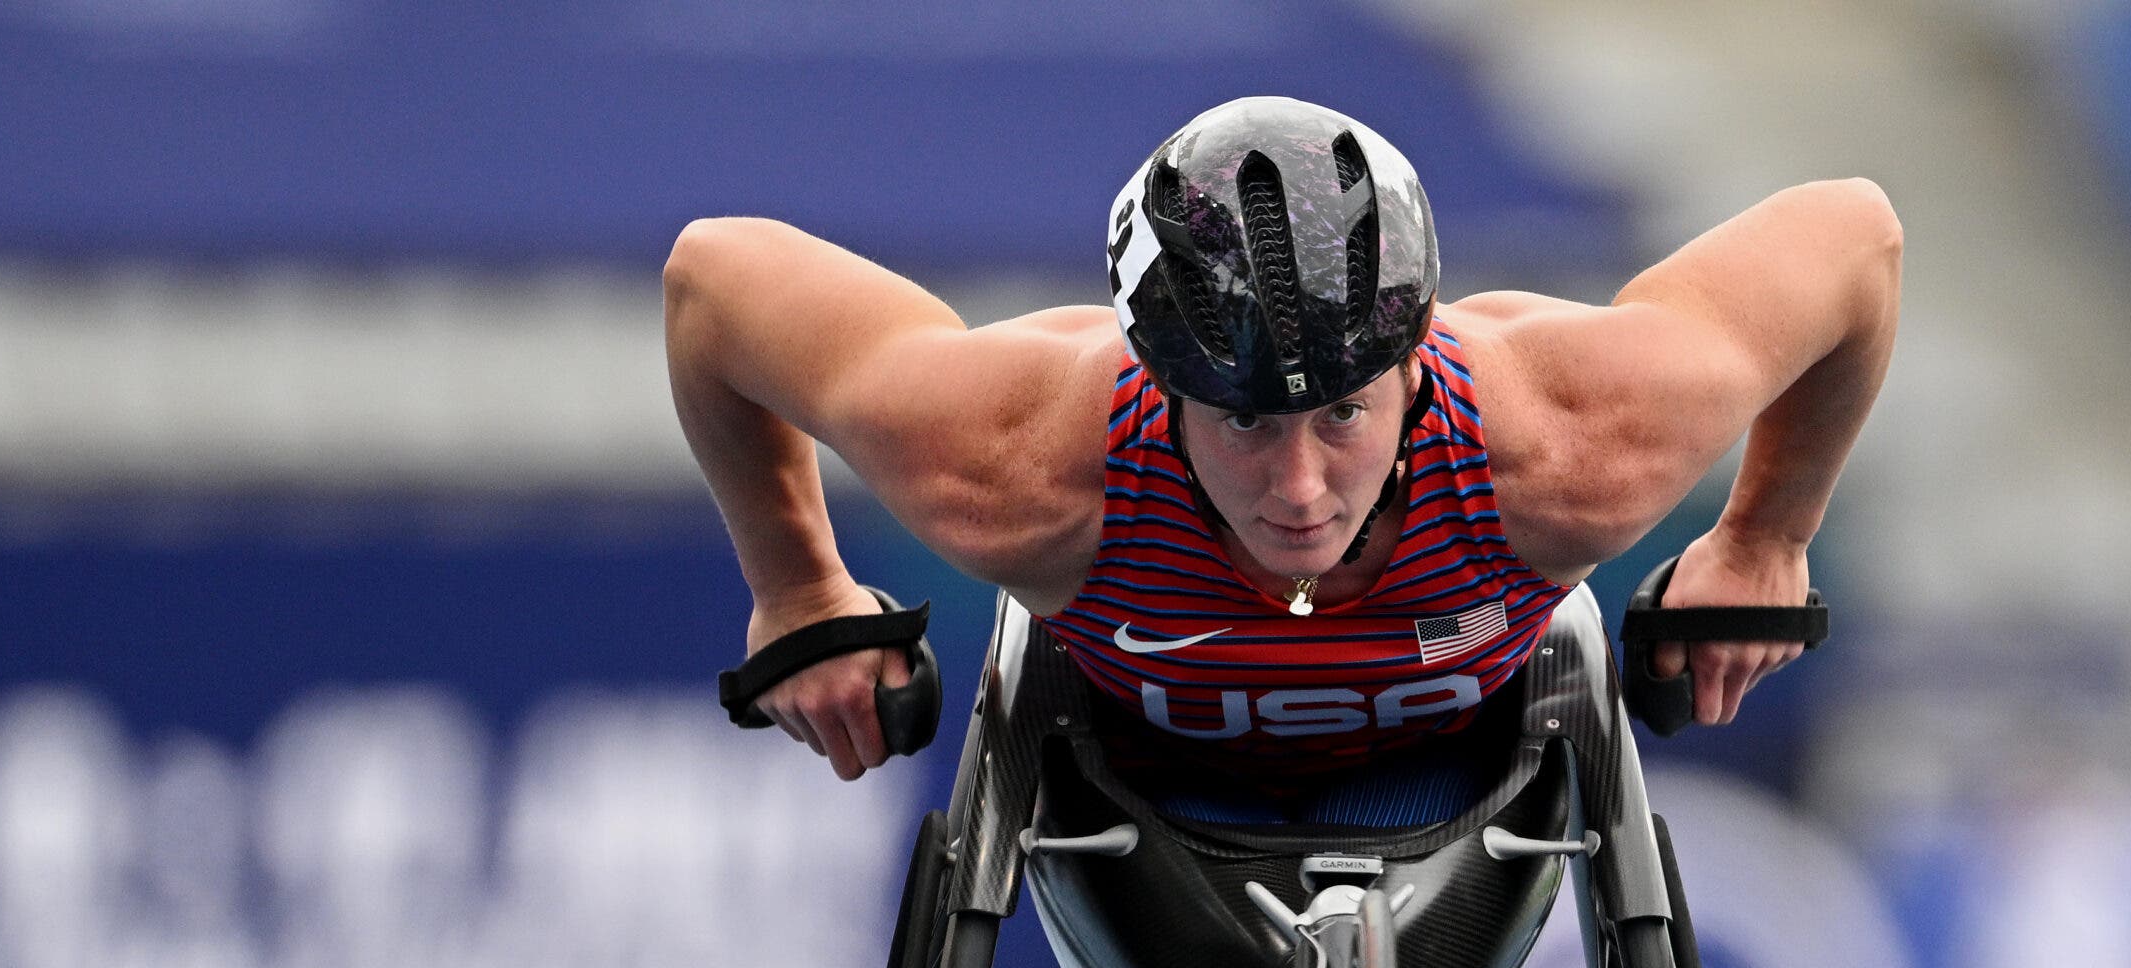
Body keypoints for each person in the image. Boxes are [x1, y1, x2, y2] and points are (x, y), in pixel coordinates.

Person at [664, 96, 1899, 815]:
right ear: (1160, 383)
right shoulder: (1017, 467)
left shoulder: (1573, 446)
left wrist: (1762, 540)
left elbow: (1856, 239)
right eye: (1245, 421)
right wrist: (795, 590)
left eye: (1345, 417)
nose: (1300, 489)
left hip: (1469, 769)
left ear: (1415, 362)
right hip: (1137, 782)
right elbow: (712, 284)